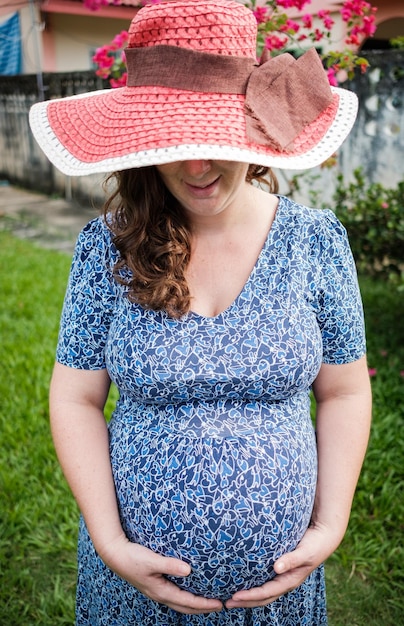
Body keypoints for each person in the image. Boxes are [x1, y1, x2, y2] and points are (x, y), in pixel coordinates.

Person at [29, 1, 372, 624]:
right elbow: (74, 397)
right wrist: (110, 542)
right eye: (173, 143)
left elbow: (345, 391)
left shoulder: (316, 243)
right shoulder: (108, 247)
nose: (196, 166)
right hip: (130, 592)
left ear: (256, 132)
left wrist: (330, 524)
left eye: (214, 142)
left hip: (281, 599)